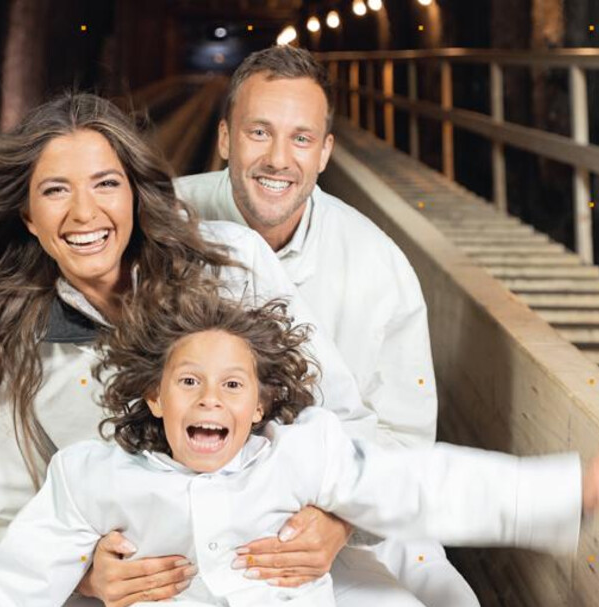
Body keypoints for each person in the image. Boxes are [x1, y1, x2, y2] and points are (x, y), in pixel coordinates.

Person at [0, 92, 449, 606]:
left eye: (106, 184)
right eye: (56, 191)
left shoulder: (232, 262)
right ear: (28, 216)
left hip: (285, 574)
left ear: (135, 194)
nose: (85, 213)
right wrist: (87, 576)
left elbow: (345, 419)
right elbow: (12, 522)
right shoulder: (18, 344)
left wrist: (338, 523)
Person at [0, 294, 599, 607]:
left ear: (260, 405)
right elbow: (10, 573)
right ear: (154, 398)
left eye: (233, 385)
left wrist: (562, 492)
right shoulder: (95, 476)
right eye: (189, 382)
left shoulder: (301, 454)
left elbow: (419, 484)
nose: (210, 399)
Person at [169, 45, 472, 605]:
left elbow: (403, 441)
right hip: (181, 508)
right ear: (224, 139)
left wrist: (341, 522)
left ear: (325, 152)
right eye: (259, 132)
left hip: (333, 519)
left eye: (301, 138)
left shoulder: (377, 266)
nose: (279, 159)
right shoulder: (162, 226)